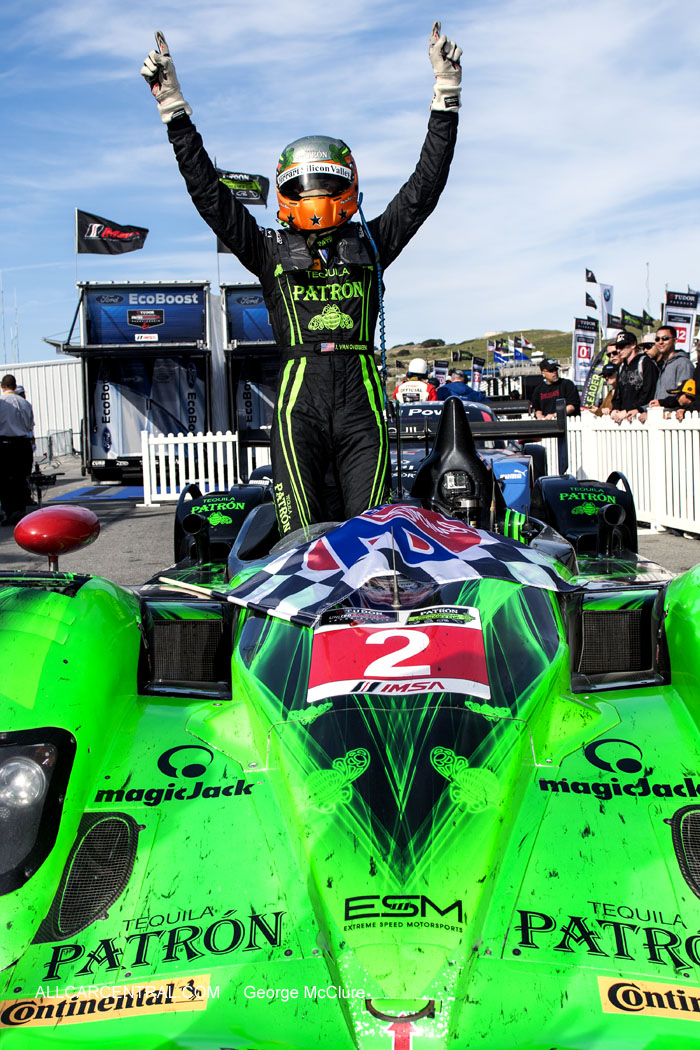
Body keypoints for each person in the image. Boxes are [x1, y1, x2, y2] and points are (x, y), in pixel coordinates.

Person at [142, 24, 462, 537]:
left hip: (362, 406)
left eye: (328, 181)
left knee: (373, 537)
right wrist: (174, 112)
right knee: (299, 542)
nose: (317, 192)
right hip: (299, 406)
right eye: (305, 183)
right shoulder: (268, 249)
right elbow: (211, 197)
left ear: (349, 184)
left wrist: (446, 98)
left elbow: (424, 189)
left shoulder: (373, 243)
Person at [0, 374, 35, 526]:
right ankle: (21, 510)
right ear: (15, 386)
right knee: (22, 478)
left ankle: (10, 511)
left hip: (6, 444)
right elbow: (29, 426)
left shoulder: (2, 403)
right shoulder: (25, 403)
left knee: (6, 480)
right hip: (23, 444)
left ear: (2, 386)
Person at [610, 331, 656, 423]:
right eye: (617, 347)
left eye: (622, 346)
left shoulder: (645, 363)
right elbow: (617, 393)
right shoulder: (621, 367)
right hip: (623, 418)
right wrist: (615, 409)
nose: (619, 350)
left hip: (640, 417)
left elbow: (648, 392)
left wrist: (629, 409)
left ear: (633, 345)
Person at [649, 325, 694, 408]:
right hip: (659, 416)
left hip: (675, 418)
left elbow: (685, 398)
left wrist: (662, 403)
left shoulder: (683, 363)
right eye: (657, 339)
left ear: (675, 341)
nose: (660, 342)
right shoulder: (662, 365)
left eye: (665, 338)